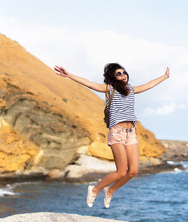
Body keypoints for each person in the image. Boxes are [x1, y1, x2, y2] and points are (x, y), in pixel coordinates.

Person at [54, 63, 170, 208]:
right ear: (112, 78)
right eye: (119, 73)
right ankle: (95, 189)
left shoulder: (131, 90)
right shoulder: (110, 89)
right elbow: (88, 83)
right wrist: (68, 75)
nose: (123, 75)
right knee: (121, 172)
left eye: (124, 72)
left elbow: (149, 84)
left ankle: (110, 190)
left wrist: (165, 76)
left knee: (133, 171)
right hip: (117, 132)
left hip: (131, 133)